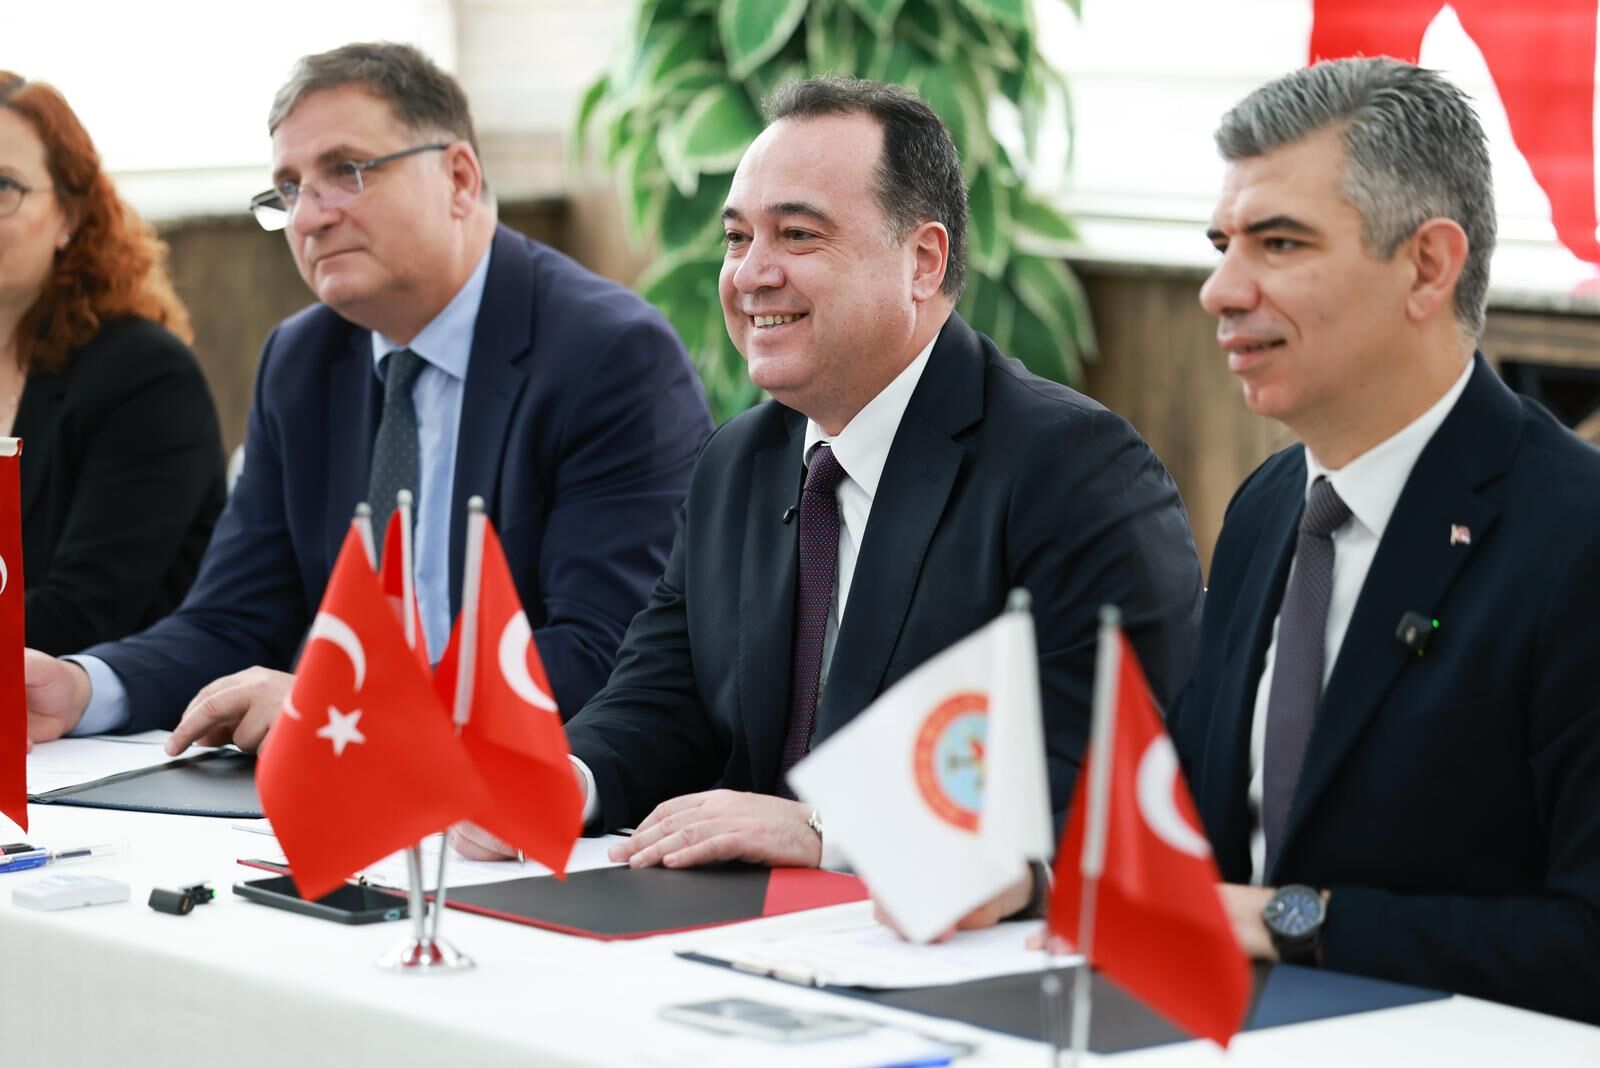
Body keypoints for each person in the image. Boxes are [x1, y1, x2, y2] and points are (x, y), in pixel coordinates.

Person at [453, 79, 1204, 905]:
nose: (750, 274)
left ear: (923, 261)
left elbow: (1108, 768)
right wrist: (564, 779)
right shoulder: (738, 460)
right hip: (742, 927)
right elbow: (665, 696)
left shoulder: (1073, 467)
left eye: (798, 235)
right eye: (737, 238)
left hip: (952, 941)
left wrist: (827, 829)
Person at [21, 43, 710, 750]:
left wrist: (345, 704)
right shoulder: (301, 361)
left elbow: (602, 652)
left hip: (531, 784)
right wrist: (81, 686)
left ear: (460, 179)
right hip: (346, 772)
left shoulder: (608, 356)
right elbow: (232, 620)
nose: (308, 218)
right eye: (289, 189)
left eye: (346, 172)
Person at [1167, 57, 1600, 1024]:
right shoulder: (1264, 510)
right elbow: (1200, 835)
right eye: (1223, 245)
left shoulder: (1576, 538)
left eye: (1279, 243)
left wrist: (1296, 922)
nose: (1220, 290)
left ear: (1428, 267)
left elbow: (1587, 941)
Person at [0, 73, 224, 656]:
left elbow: (80, 615)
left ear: (69, 216)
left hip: (110, 709)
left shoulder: (146, 377)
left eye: (3, 185)